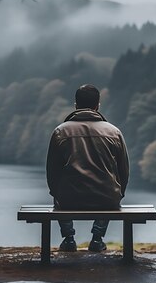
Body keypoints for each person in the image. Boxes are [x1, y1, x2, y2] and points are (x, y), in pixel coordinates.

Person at [46, 84, 129, 252]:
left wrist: (56, 192)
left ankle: (69, 240)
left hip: (69, 199)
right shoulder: (114, 132)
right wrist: (120, 193)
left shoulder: (60, 132)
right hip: (106, 199)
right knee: (109, 190)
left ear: (75, 105)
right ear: (97, 105)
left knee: (58, 194)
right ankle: (97, 239)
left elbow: (52, 172)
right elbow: (124, 170)